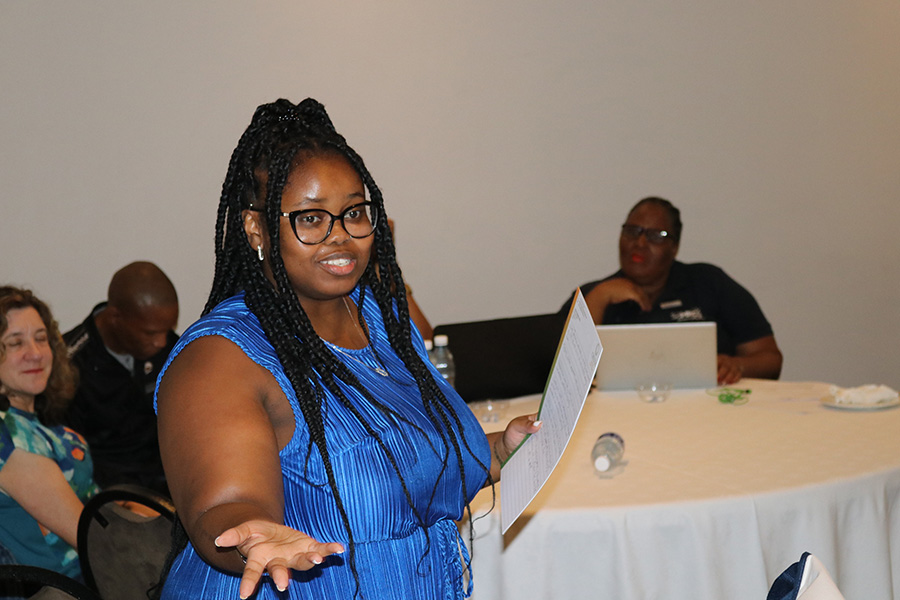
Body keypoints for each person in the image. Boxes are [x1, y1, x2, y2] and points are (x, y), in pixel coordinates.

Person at [153, 98, 540, 600]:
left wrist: (497, 451)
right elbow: (224, 507)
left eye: (353, 213)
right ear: (256, 228)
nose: (340, 237)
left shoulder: (380, 317)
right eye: (311, 219)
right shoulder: (219, 359)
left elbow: (406, 465)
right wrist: (253, 535)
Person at [561, 197, 782, 384]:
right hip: (619, 414)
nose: (640, 243)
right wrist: (598, 299)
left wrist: (737, 365)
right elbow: (562, 378)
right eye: (632, 231)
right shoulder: (592, 295)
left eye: (656, 236)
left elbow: (770, 359)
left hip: (706, 410)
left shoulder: (708, 282)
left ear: (674, 247)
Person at [0, 286, 98, 578]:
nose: (35, 354)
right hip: (58, 589)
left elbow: (101, 513)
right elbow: (89, 537)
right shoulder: (5, 436)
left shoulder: (54, 431)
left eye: (41, 339)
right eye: (15, 343)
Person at [64, 261, 178, 495]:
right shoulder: (69, 367)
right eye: (150, 333)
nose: (161, 342)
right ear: (115, 317)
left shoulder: (172, 350)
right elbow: (69, 458)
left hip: (170, 481)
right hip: (106, 495)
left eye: (167, 330)